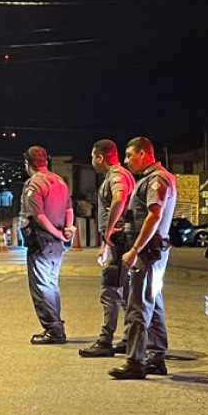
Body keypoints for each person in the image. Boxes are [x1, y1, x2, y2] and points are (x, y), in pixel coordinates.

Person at [110, 136, 177, 380]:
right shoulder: (155, 178)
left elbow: (154, 216)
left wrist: (135, 249)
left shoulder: (156, 179)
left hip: (148, 253)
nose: (126, 161)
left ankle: (135, 362)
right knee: (153, 303)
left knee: (137, 307)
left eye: (129, 155)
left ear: (143, 154)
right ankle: (156, 358)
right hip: (153, 251)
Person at [79, 139, 135, 359]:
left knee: (109, 290)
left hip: (119, 241)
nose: (92, 161)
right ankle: (131, 337)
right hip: (119, 240)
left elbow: (119, 199)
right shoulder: (122, 174)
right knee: (125, 292)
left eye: (93, 157)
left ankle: (105, 340)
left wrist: (110, 231)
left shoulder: (116, 176)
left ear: (100, 157)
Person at [19, 145, 74, 344]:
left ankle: (53, 330)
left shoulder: (35, 184)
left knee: (42, 286)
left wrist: (56, 232)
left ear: (27, 163)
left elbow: (39, 216)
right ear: (46, 161)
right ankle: (56, 325)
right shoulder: (60, 181)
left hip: (41, 241)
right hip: (57, 244)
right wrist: (66, 230)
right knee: (51, 284)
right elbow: (69, 209)